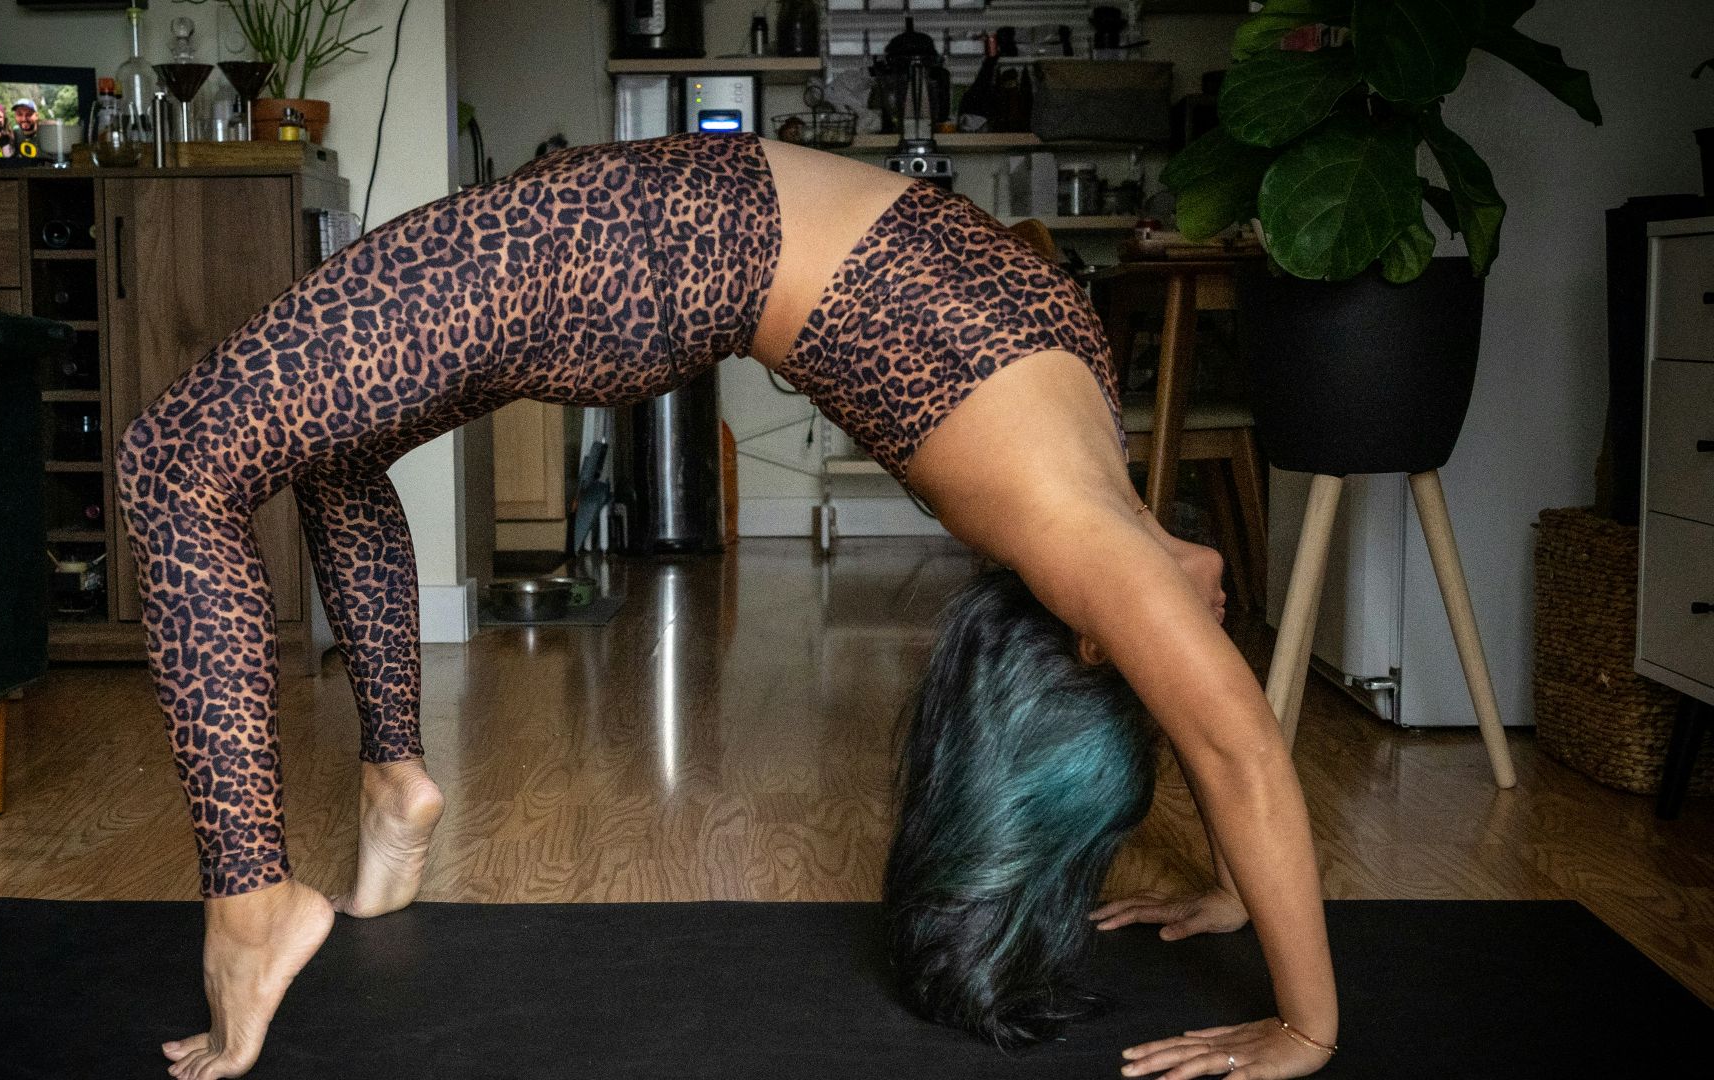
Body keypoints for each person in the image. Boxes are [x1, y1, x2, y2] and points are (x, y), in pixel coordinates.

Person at [115, 132, 1337, 1080]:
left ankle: (251, 902)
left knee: (173, 463)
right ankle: (394, 776)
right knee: (327, 437)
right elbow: (1206, 730)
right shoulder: (1094, 441)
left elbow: (1233, 742)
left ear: (1097, 644)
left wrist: (1307, 1026)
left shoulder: (1088, 549)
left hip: (637, 244)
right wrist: (1229, 887)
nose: (1209, 620)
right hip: (651, 234)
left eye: (1182, 645)